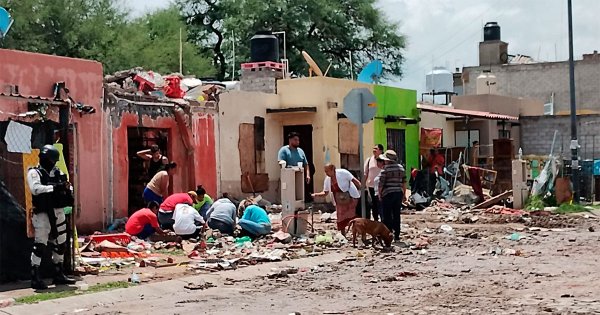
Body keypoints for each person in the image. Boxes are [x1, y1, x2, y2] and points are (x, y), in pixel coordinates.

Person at [27, 144, 76, 290]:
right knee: (40, 245)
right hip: (42, 213)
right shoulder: (34, 172)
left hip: (58, 212)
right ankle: (35, 276)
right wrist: (54, 188)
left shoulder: (58, 172)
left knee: (61, 244)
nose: (45, 160)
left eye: (47, 158)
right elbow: (35, 189)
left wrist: (64, 188)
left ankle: (58, 273)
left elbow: (67, 187)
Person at [311, 164, 361, 234]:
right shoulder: (327, 180)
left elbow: (355, 181)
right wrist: (316, 195)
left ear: (333, 169)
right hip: (339, 201)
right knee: (340, 218)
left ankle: (356, 233)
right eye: (325, 172)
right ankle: (343, 234)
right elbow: (325, 193)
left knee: (352, 216)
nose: (326, 173)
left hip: (350, 198)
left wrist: (362, 190)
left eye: (327, 171)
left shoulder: (343, 173)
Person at [378, 150, 406, 241]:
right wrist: (404, 194)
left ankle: (388, 233)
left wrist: (379, 194)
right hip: (398, 193)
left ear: (387, 160)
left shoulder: (385, 169)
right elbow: (404, 183)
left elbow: (381, 184)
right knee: (396, 214)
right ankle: (397, 234)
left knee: (387, 215)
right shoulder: (401, 168)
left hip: (387, 194)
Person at [364, 144, 384, 221]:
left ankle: (383, 220)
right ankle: (376, 220)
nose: (374, 150)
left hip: (382, 185)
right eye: (373, 148)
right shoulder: (369, 160)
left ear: (381, 151)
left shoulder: (384, 160)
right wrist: (363, 184)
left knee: (381, 203)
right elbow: (365, 173)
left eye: (376, 148)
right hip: (371, 185)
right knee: (374, 204)